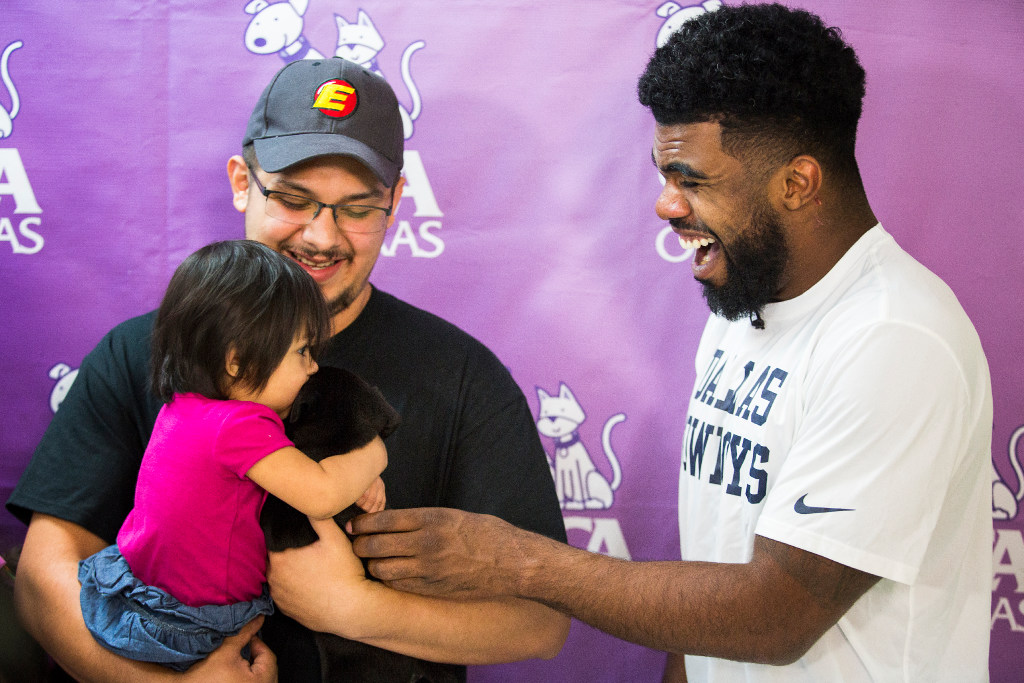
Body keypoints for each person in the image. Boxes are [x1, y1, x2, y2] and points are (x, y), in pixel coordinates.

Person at [335, 5, 994, 682]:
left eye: (694, 181)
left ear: (797, 184)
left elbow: (776, 612)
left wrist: (518, 561)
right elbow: (712, 578)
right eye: (665, 175)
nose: (666, 205)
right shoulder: (742, 305)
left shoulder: (893, 339)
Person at [7, 57, 568, 682]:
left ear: (396, 202)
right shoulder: (143, 352)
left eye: (357, 208)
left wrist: (356, 609)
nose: (322, 237)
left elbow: (539, 622)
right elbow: (42, 576)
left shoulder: (462, 377)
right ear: (243, 181)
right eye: (294, 200)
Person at [77, 239, 388, 670]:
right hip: (195, 623)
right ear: (238, 362)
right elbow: (322, 494)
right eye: (302, 351)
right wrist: (372, 451)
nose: (314, 366)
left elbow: (294, 467)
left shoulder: (186, 407)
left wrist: (352, 476)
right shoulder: (238, 426)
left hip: (138, 593)